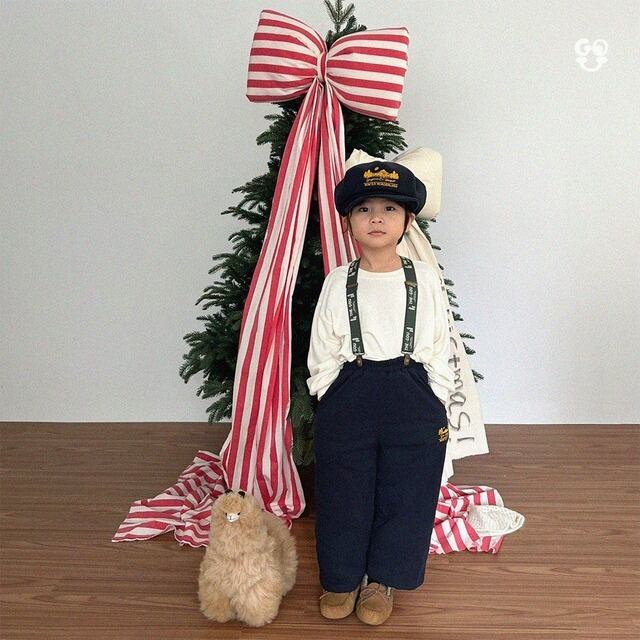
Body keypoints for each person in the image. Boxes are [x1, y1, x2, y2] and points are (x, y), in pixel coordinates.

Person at [306, 160, 456, 625]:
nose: (376, 218)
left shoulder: (424, 279)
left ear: (407, 221)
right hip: (350, 392)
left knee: (406, 491)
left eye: (389, 209)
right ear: (347, 222)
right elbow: (322, 347)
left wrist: (435, 397)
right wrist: (330, 392)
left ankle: (382, 579)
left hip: (411, 393)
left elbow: (439, 341)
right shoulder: (338, 282)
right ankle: (342, 577)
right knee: (343, 489)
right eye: (364, 209)